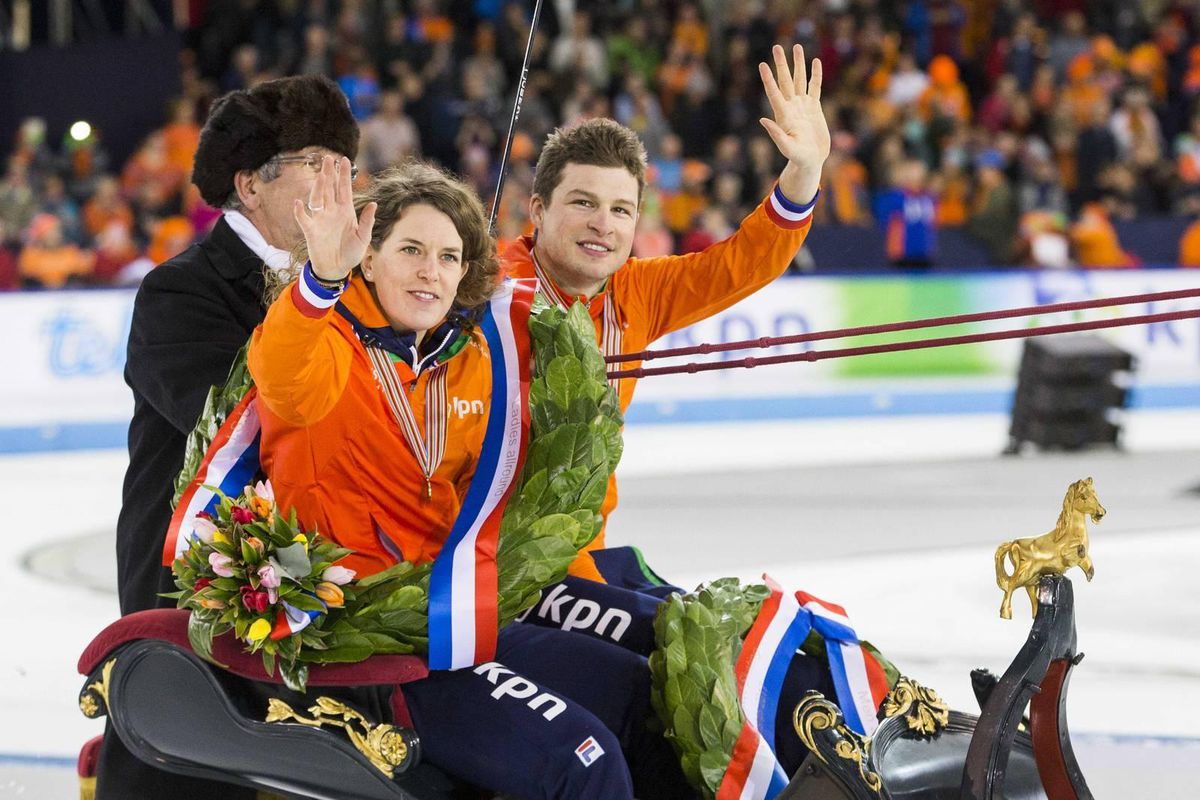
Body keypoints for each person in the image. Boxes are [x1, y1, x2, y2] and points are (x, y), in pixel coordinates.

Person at [248, 158, 690, 799]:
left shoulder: (464, 363)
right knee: (583, 760)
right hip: (376, 645)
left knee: (645, 698)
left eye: (450, 257)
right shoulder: (327, 351)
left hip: (460, 616)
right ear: (366, 260)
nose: (432, 271)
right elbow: (284, 372)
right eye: (411, 250)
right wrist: (321, 278)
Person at [99, 74, 359, 800]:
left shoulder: (355, 283)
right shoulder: (180, 292)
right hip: (195, 595)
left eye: (344, 160)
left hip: (324, 583)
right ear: (250, 184)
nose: (340, 179)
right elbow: (249, 420)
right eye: (316, 160)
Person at [502, 45, 828, 580]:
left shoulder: (641, 292)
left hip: (577, 557)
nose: (603, 224)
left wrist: (806, 169)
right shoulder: (474, 283)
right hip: (473, 560)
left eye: (621, 209)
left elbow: (743, 263)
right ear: (538, 210)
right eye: (583, 202)